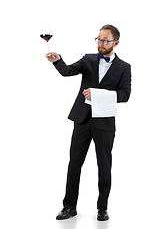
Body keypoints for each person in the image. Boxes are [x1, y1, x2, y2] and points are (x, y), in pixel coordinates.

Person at [46, 24, 131, 221]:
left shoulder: (124, 67)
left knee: (104, 165)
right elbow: (67, 71)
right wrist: (58, 61)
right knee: (74, 163)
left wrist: (99, 95)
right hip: (82, 120)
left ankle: (102, 208)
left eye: (105, 40)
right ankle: (69, 207)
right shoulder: (88, 59)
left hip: (105, 124)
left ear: (116, 43)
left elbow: (125, 95)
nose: (100, 43)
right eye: (99, 39)